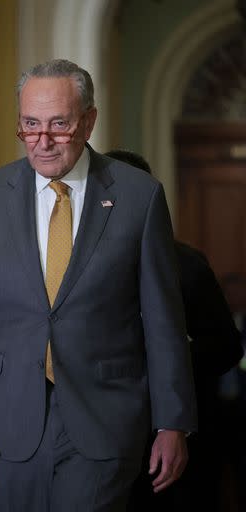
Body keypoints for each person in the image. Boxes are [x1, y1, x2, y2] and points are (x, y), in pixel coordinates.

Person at [0, 59, 197, 511]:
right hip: (5, 424)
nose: (42, 141)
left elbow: (163, 322)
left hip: (105, 417)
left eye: (59, 125)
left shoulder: (140, 197)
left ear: (89, 120)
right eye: (30, 125)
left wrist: (173, 422)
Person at [105, 149, 243, 511]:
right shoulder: (80, 265)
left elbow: (227, 347)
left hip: (182, 434)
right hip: (109, 436)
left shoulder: (186, 265)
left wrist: (162, 357)